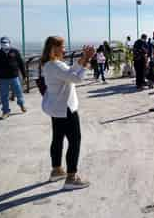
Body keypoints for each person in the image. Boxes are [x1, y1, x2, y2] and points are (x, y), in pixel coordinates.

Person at [41, 36, 95, 190]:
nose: (64, 49)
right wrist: (86, 60)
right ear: (54, 48)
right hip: (66, 109)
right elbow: (76, 78)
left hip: (56, 109)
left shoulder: (50, 65)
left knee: (57, 139)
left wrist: (83, 59)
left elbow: (69, 71)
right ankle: (71, 177)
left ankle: (56, 170)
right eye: (62, 46)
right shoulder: (56, 65)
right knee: (75, 140)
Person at [0, 37, 27, 119]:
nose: (5, 44)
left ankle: (22, 105)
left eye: (6, 42)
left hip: (14, 77)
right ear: (0, 43)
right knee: (4, 96)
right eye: (3, 42)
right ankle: (5, 111)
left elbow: (21, 63)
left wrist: (24, 75)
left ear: (9, 42)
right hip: (2, 78)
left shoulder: (15, 52)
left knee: (19, 93)